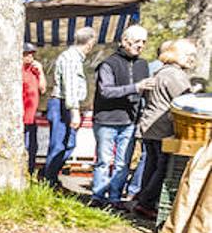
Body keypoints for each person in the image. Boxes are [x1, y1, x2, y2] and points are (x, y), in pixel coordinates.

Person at [133, 38, 200, 218]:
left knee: (152, 165)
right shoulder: (175, 75)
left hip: (150, 126)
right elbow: (185, 101)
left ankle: (143, 200)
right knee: (163, 168)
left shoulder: (161, 71)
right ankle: (146, 202)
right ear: (175, 54)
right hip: (162, 128)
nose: (191, 59)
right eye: (188, 55)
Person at [92, 25, 154, 206]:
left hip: (130, 121)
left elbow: (144, 94)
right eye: (137, 41)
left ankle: (115, 198)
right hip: (106, 120)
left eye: (144, 42)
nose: (141, 45)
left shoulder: (143, 65)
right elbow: (106, 91)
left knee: (122, 163)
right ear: (125, 42)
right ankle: (98, 197)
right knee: (104, 161)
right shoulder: (108, 64)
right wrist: (135, 88)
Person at [42, 26, 97, 188]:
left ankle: (49, 175)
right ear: (90, 42)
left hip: (65, 105)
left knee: (68, 144)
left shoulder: (75, 57)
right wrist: (74, 112)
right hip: (62, 104)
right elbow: (70, 86)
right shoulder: (71, 58)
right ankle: (48, 181)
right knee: (60, 145)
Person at [21, 43, 47, 174]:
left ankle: (29, 172)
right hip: (20, 118)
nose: (30, 57)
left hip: (31, 117)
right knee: (23, 147)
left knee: (32, 147)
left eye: (32, 54)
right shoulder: (17, 70)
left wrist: (41, 72)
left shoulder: (34, 70)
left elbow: (43, 89)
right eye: (27, 54)